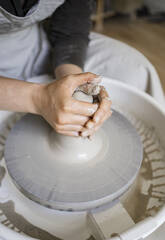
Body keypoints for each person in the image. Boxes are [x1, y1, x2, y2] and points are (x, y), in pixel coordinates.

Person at [0, 0, 112, 138]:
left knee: (136, 70)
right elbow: (40, 98)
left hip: (35, 39)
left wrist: (74, 85)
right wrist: (39, 99)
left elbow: (70, 28)